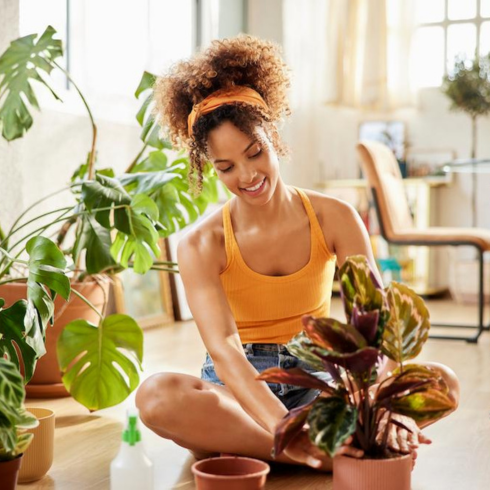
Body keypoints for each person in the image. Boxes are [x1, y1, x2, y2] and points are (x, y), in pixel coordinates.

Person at [135, 34, 459, 471]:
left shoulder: (335, 217)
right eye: (225, 167)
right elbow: (227, 352)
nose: (248, 175)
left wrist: (378, 401)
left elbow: (376, 325)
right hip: (239, 392)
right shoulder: (201, 243)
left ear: (273, 134)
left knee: (443, 382)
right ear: (208, 167)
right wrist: (285, 427)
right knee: (157, 395)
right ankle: (319, 452)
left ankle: (258, 449)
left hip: (320, 379)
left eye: (255, 152)